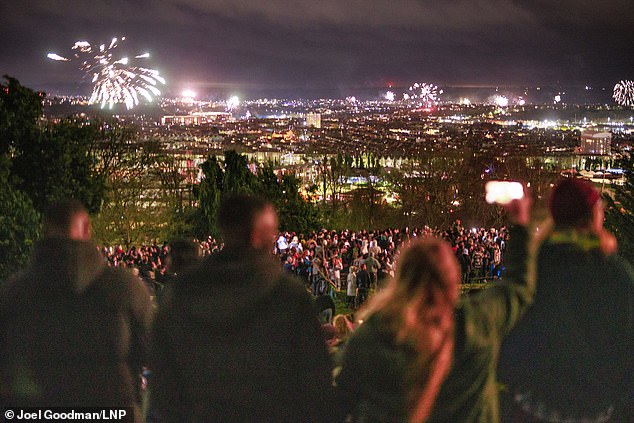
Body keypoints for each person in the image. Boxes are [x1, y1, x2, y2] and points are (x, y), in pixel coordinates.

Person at [150, 194, 334, 422]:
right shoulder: (287, 295)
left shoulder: (182, 291)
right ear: (258, 237)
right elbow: (315, 380)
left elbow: (163, 373)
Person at [0, 200, 152, 421]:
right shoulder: (126, 288)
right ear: (87, 229)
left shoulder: (14, 293)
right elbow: (154, 351)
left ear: (45, 232)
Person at [499, 178, 634, 422]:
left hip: (535, 407)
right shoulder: (615, 273)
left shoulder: (536, 268)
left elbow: (511, 333)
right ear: (594, 215)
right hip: (593, 410)